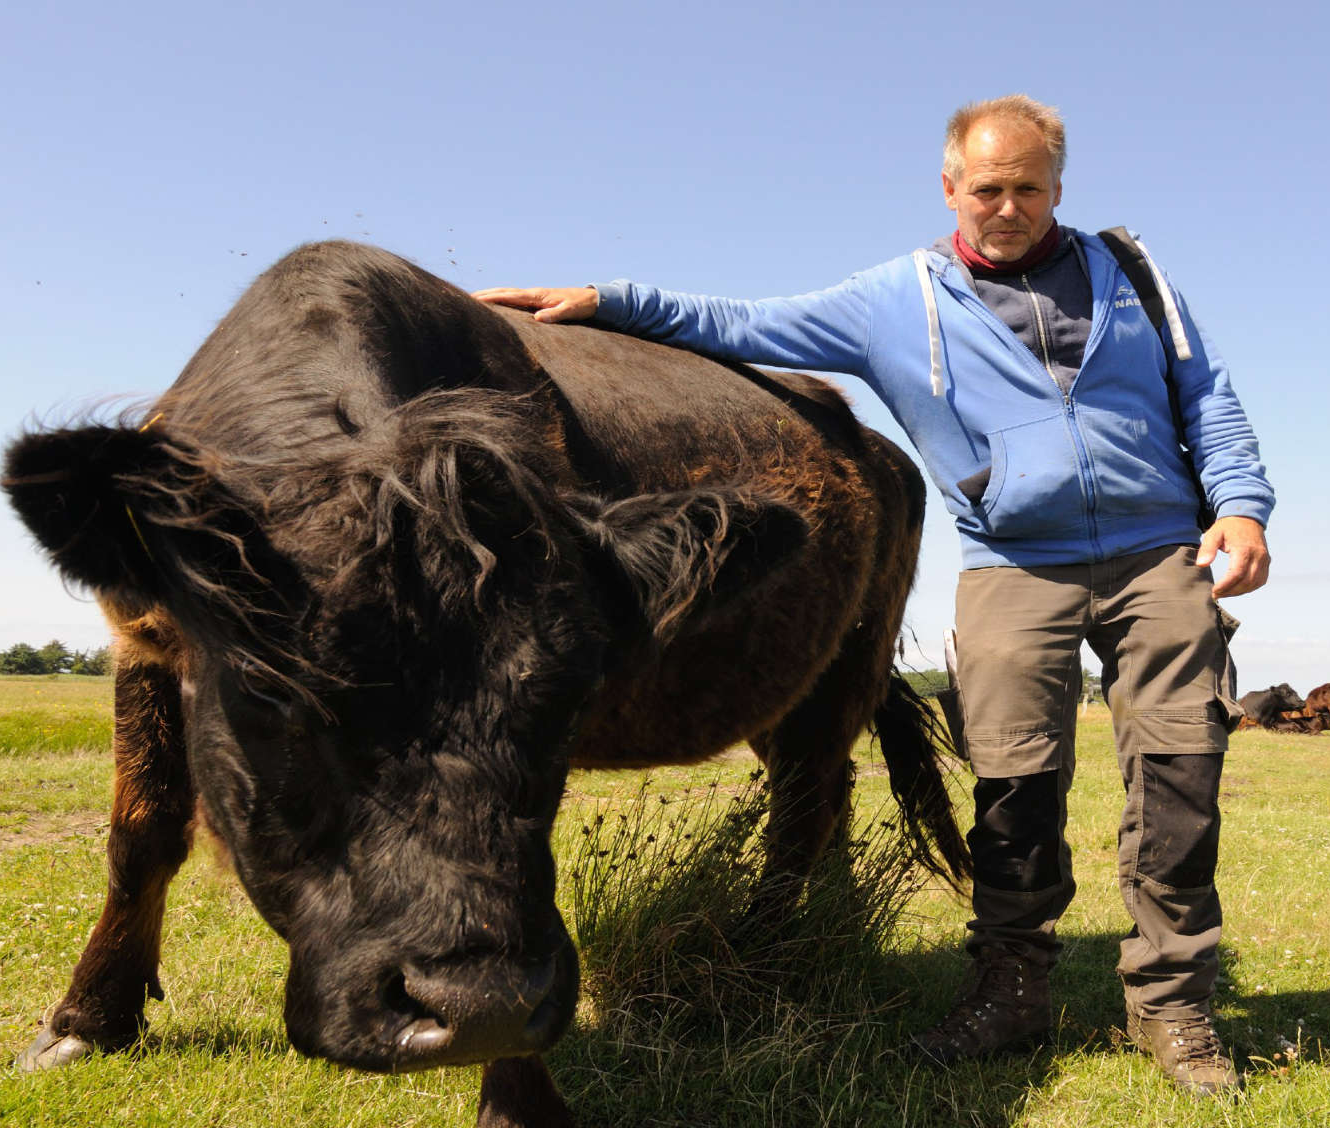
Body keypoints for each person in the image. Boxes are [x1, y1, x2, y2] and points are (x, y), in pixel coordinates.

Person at [475, 94, 1274, 1095]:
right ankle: (1009, 988)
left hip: (1159, 554)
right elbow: (739, 320)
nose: (1008, 207)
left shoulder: (1130, 272)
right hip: (1013, 565)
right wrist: (604, 297)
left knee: (1177, 774)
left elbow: (1206, 394)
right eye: (987, 189)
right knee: (1012, 785)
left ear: (1057, 189)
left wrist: (1239, 506)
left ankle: (1173, 1008)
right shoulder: (899, 299)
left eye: (1029, 188)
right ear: (950, 189)